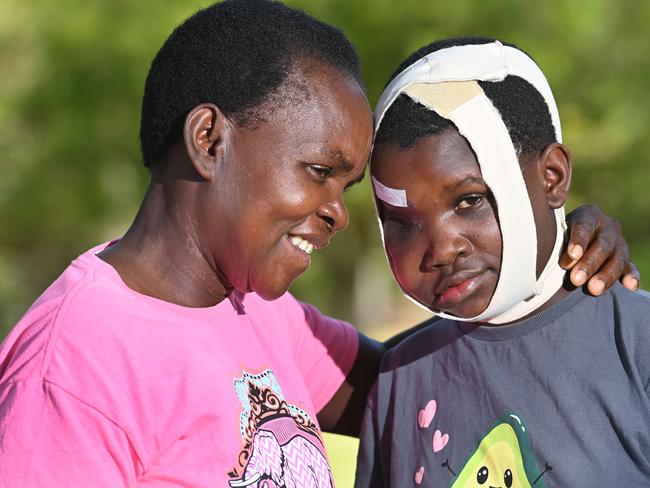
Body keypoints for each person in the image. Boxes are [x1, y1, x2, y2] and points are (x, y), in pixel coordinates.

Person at [0, 2, 638, 486]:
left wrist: (553, 255)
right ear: (208, 140)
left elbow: (446, 372)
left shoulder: (257, 310)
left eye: (349, 185)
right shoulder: (71, 372)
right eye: (318, 171)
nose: (339, 213)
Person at [355, 37, 650, 487]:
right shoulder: (398, 380)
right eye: (401, 221)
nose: (440, 248)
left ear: (552, 177)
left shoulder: (635, 341)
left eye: (470, 200)